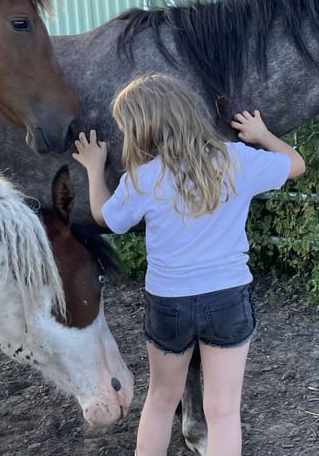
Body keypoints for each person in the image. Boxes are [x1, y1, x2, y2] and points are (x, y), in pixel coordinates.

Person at [72, 73, 305, 456]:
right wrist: (261, 134)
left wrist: (94, 168)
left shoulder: (141, 180)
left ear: (141, 129)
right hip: (228, 299)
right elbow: (294, 164)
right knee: (223, 410)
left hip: (168, 303)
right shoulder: (236, 160)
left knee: (162, 400)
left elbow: (106, 218)